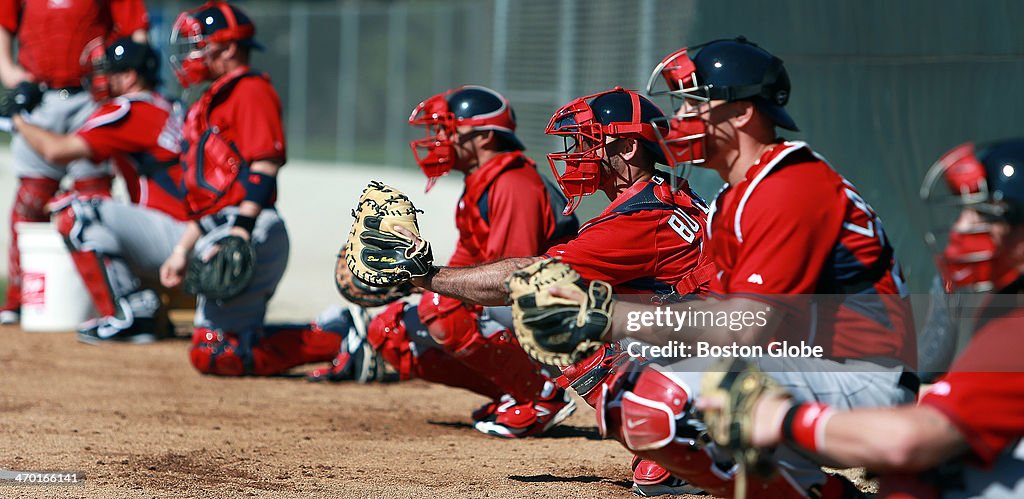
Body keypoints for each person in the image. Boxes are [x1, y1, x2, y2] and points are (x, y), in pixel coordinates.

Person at [513, 38, 917, 497]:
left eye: (694, 103)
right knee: (629, 387)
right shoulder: (735, 195)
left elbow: (744, 325)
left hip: (862, 379)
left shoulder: (789, 185)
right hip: (803, 364)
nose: (679, 120)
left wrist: (609, 315)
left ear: (742, 113)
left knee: (659, 399)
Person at [383, 86, 715, 492]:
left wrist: (424, 276)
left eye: (589, 142)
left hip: (716, 360)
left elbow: (523, 276)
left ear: (628, 148)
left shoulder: (639, 218)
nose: (577, 154)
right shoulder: (665, 197)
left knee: (555, 313)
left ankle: (687, 441)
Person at [699, 138, 1024, 498]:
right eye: (964, 212)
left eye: (985, 215)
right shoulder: (1001, 315)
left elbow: (908, 441)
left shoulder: (1015, 331)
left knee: (916, 477)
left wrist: (786, 418)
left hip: (875, 379)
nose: (963, 227)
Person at [316, 85, 583, 438]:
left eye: (449, 130)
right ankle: (512, 392)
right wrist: (409, 274)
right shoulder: (481, 182)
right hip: (516, 306)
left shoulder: (513, 182)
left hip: (554, 315)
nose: (440, 139)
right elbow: (469, 265)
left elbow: (513, 277)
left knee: (442, 309)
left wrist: (432, 289)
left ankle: (540, 396)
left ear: (485, 137)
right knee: (389, 331)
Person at [159, 1, 344, 376]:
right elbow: (217, 196)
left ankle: (341, 340)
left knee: (216, 353)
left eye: (200, 44)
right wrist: (182, 249)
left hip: (250, 226)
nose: (192, 54)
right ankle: (332, 331)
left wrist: (240, 231)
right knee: (220, 345)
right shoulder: (213, 98)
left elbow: (265, 164)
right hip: (224, 225)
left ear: (227, 48)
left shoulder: (250, 90)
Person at [11, 37, 187, 343]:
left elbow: (56, 150)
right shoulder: (171, 105)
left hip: (178, 240)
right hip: (197, 233)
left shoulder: (128, 110)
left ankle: (129, 314)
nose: (100, 80)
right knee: (107, 210)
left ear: (130, 76)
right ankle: (150, 311)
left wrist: (18, 120)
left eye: (110, 72)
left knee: (76, 211)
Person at [0, 0, 149, 325]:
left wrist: (124, 78)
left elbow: (136, 32)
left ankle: (108, 300)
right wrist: (11, 74)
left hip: (90, 97)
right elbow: (4, 26)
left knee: (93, 200)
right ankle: (21, 296)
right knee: (31, 201)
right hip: (39, 96)